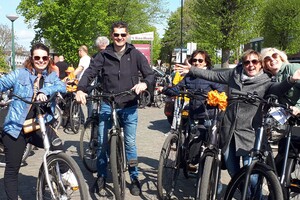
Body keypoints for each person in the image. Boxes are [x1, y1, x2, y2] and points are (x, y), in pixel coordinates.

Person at [174, 49, 300, 181]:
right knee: (233, 171)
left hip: (250, 133)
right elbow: (212, 75)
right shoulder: (234, 75)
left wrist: (291, 80)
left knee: (251, 175)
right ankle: (240, 190)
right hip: (229, 131)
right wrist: (192, 70)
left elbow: (277, 89)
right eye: (247, 62)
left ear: (260, 64)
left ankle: (255, 197)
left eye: (254, 61)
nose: (250, 65)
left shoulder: (266, 80)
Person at [75, 21, 155, 196]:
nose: (119, 37)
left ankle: (134, 178)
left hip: (129, 105)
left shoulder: (135, 54)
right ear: (112, 35)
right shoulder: (103, 55)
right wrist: (80, 89)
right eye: (116, 34)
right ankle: (102, 176)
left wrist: (144, 84)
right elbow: (89, 73)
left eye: (123, 34)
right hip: (107, 103)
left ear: (127, 35)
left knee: (130, 144)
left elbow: (150, 74)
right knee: (103, 143)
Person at [0, 43, 70, 200]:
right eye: (37, 57)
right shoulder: (19, 74)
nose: (41, 60)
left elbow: (61, 86)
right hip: (16, 127)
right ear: (31, 58)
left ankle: (63, 175)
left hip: (39, 125)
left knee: (57, 145)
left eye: (44, 57)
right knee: (12, 168)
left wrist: (45, 90)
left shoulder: (51, 76)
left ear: (48, 59)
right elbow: (2, 83)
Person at [159, 50, 225, 169]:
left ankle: (211, 177)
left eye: (200, 60)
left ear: (206, 62)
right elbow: (177, 89)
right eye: (194, 60)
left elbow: (222, 91)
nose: (197, 63)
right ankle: (190, 161)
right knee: (193, 145)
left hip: (209, 115)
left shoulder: (211, 75)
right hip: (194, 114)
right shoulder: (189, 77)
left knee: (211, 145)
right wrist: (163, 89)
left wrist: (213, 97)